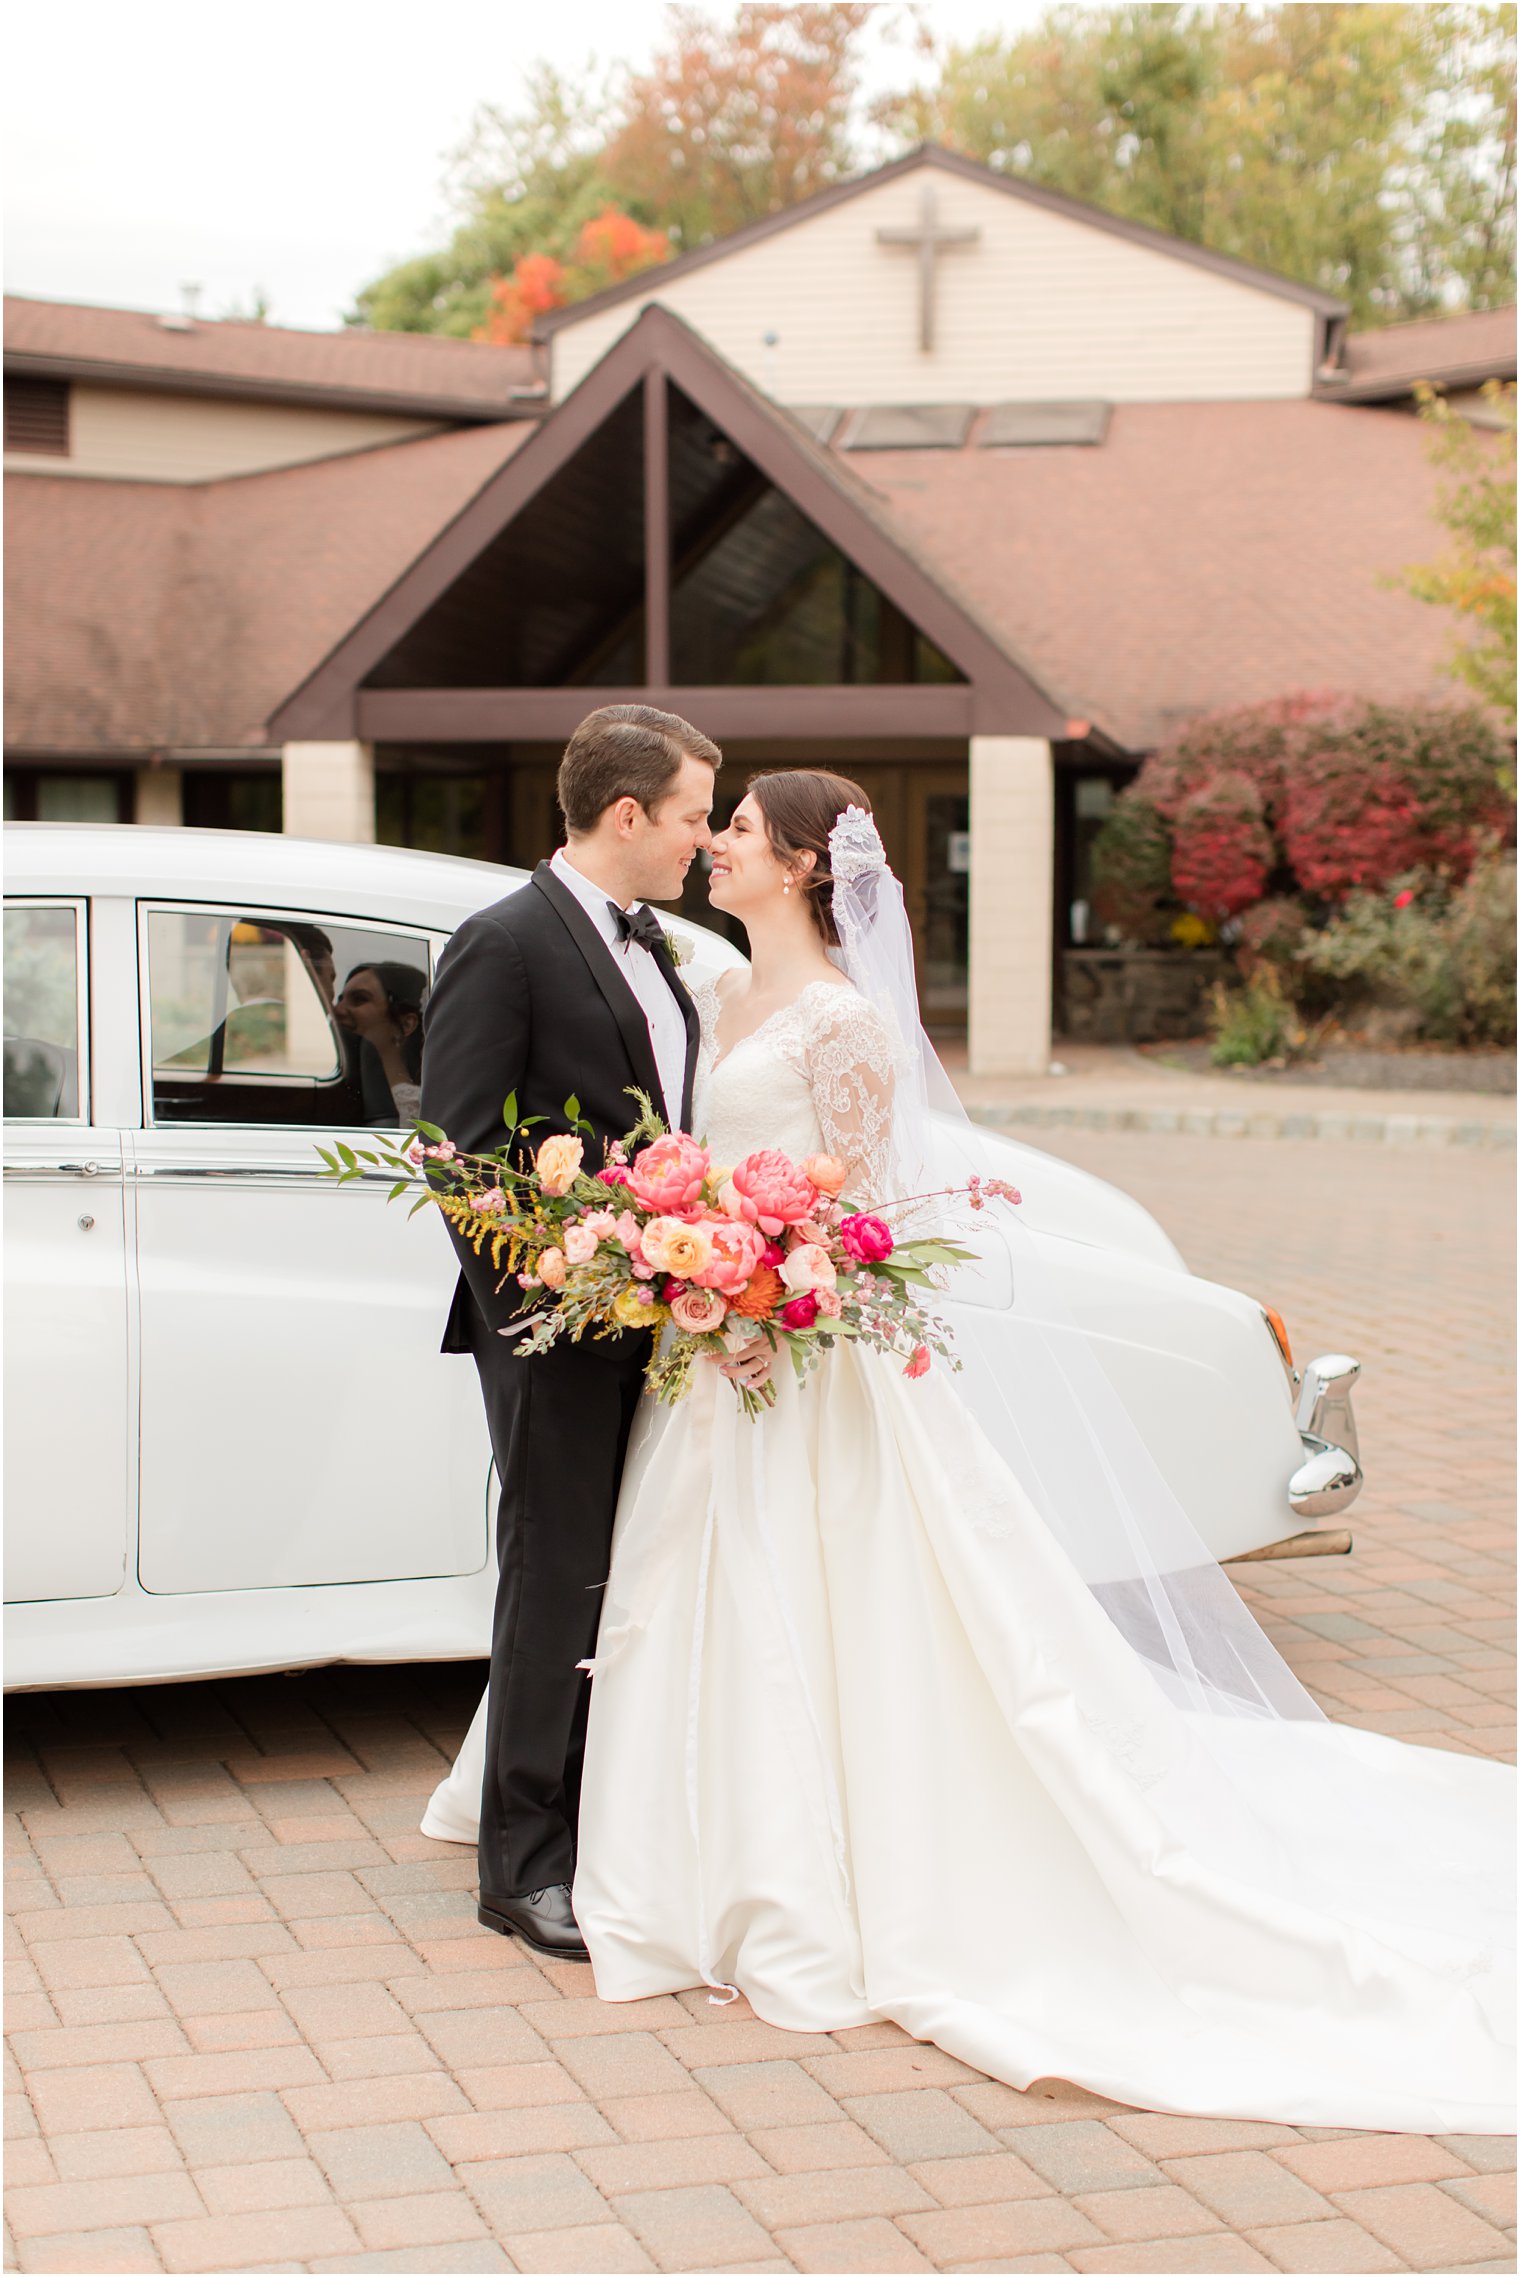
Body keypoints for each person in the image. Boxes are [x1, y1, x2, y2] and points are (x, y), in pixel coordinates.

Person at [425, 766, 1513, 2133]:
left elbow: (868, 1215)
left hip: (806, 1360)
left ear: (808, 865)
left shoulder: (841, 1023)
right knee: (677, 1586)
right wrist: (699, 1272)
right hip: (707, 1353)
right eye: (714, 820)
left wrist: (780, 1300)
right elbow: (685, 1162)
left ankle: (827, 1860)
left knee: (849, 1604)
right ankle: (667, 1838)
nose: (718, 844)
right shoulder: (711, 994)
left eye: (743, 830)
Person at [418, 703, 767, 1963]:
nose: (697, 842)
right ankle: (520, 1869)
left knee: (629, 1579)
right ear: (626, 815)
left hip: (659, 1316)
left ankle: (601, 1825)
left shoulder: (666, 950)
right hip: (553, 1326)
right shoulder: (502, 943)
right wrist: (565, 1288)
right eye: (686, 817)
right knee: (553, 1578)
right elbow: (456, 1159)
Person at [335, 959, 427, 1123]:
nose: (338, 1010)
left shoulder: (419, 1111)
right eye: (340, 999)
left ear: (407, 1024)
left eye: (359, 999)